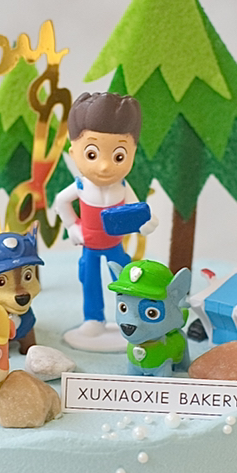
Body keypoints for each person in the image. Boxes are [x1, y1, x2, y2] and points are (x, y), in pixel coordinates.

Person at [53, 92, 157, 350]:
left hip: (115, 246)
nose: (104, 167)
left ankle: (131, 316)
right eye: (92, 154)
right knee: (90, 281)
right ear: (73, 152)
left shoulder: (123, 188)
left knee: (128, 281)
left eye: (118, 156)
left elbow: (137, 211)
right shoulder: (80, 187)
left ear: (133, 153)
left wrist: (146, 222)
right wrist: (72, 226)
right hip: (89, 245)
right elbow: (61, 202)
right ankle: (94, 318)